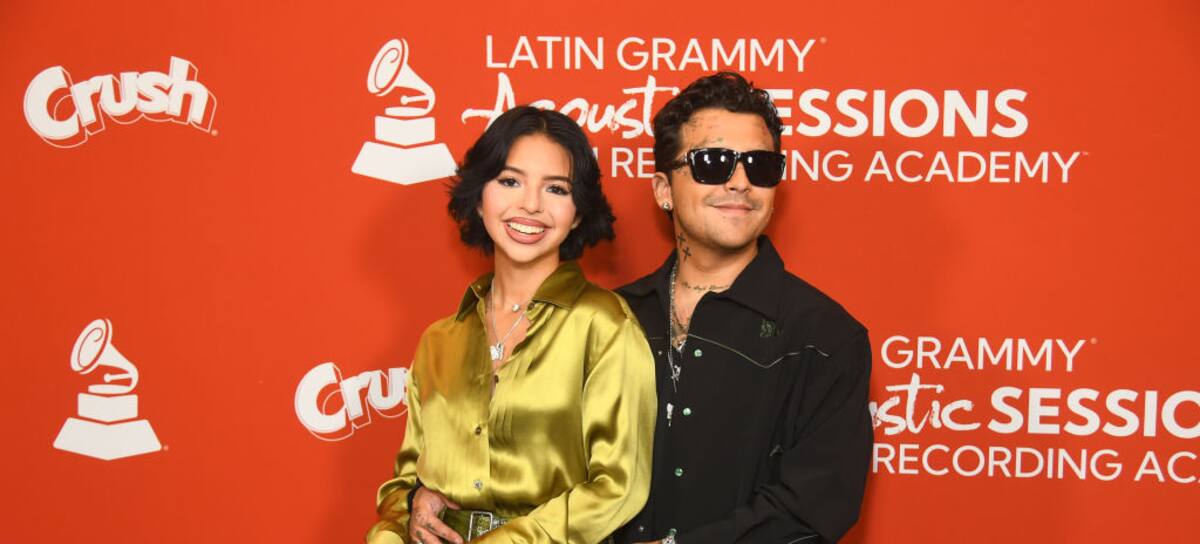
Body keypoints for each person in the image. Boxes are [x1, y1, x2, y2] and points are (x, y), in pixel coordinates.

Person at [365, 106, 657, 544]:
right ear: (479, 197)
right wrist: (408, 509)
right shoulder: (440, 339)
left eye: (556, 188)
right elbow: (403, 485)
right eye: (509, 181)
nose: (531, 204)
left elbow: (619, 486)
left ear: (578, 212)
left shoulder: (604, 326)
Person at [614, 72, 873, 544]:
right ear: (663, 189)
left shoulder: (826, 338)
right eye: (713, 163)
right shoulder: (612, 317)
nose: (740, 182)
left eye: (760, 165)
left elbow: (813, 508)